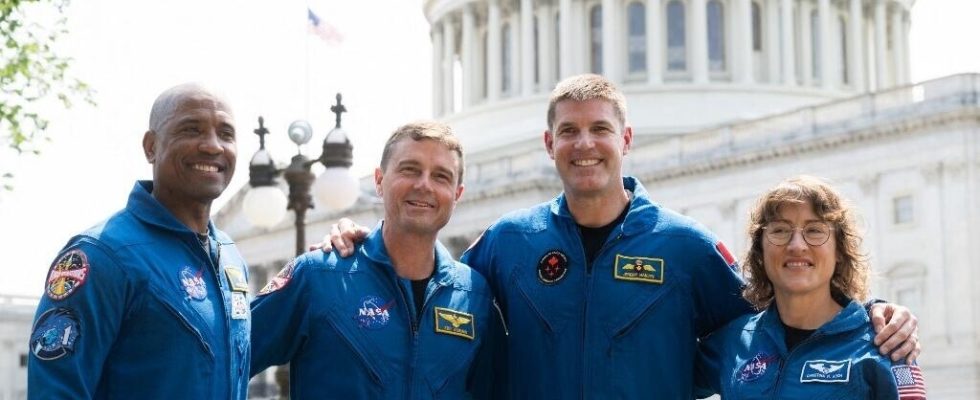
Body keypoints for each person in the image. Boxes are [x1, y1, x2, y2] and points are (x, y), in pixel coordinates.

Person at [325, 74, 920, 398]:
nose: (586, 144)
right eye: (570, 131)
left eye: (601, 130)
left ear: (626, 139)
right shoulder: (509, 241)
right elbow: (432, 291)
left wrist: (870, 316)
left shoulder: (684, 247)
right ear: (549, 143)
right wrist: (359, 246)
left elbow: (784, 312)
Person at [28, 83, 251, 399]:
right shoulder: (102, 255)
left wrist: (339, 250)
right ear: (151, 147)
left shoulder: (229, 255)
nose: (213, 146)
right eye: (192, 130)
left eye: (226, 134)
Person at [250, 121, 494, 398]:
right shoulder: (317, 275)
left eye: (441, 176)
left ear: (457, 194)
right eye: (410, 169)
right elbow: (227, 357)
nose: (424, 184)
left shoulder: (476, 295)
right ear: (379, 181)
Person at [696, 176, 927, 399]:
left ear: (839, 250)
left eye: (815, 230)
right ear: (760, 251)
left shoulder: (885, 345)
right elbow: (664, 373)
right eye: (780, 230)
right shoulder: (734, 342)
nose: (796, 245)